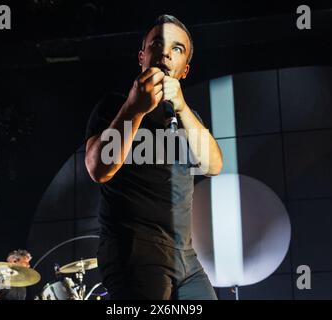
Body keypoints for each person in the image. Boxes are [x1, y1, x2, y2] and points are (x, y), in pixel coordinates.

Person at [85, 14, 223, 300]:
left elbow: (213, 165)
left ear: (184, 70)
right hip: (134, 249)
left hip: (185, 255)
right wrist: (135, 109)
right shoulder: (114, 106)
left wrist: (182, 107)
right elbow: (98, 169)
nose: (164, 54)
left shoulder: (187, 118)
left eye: (176, 49)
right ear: (142, 57)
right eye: (156, 45)